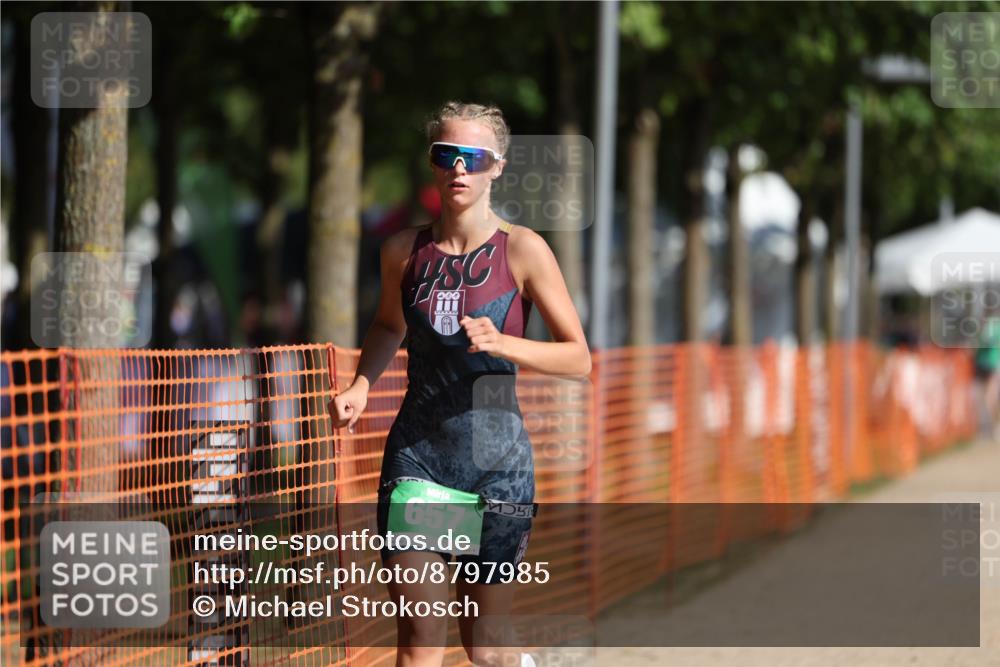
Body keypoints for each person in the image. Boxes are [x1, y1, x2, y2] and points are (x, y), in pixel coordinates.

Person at [329, 101, 590, 667]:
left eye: (473, 158)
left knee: (486, 650)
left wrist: (503, 344)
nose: (459, 170)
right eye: (446, 156)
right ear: (433, 163)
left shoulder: (523, 249)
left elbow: (578, 358)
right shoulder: (403, 253)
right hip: (419, 461)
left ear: (497, 166)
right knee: (422, 636)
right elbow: (386, 325)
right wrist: (361, 384)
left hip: (496, 469)